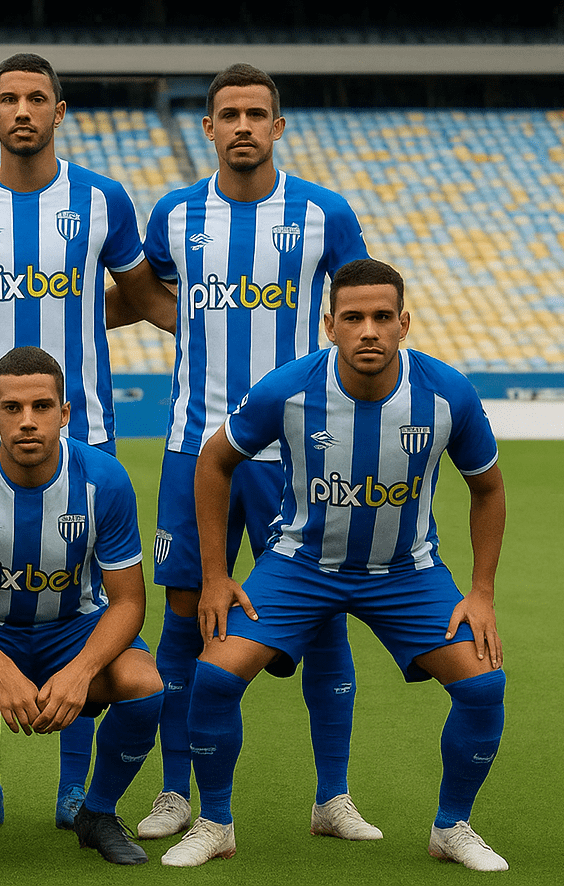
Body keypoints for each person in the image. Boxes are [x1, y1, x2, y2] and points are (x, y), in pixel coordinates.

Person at [0, 52, 176, 828]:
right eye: (8, 99)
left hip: (85, 435)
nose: (22, 110)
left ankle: (77, 795)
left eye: (37, 99)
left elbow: (142, 296)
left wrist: (216, 333)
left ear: (60, 110)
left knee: (83, 606)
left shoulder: (103, 199)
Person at [162, 259, 508, 871]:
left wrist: (480, 592)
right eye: (353, 318)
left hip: (406, 572)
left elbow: (488, 488)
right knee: (216, 676)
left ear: (404, 323)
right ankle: (215, 821)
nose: (368, 330)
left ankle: (452, 826)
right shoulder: (287, 390)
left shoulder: (448, 393)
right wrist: (216, 575)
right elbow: (213, 462)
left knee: (483, 686)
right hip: (300, 566)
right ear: (329, 326)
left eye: (381, 317)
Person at [136, 64, 375, 843]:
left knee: (324, 615)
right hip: (189, 446)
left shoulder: (324, 214)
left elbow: (359, 308)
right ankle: (177, 793)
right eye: (228, 114)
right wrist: (201, 333)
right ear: (207, 128)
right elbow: (149, 292)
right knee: (183, 614)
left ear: (278, 127)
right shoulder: (173, 215)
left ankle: (332, 798)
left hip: (297, 454)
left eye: (256, 113)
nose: (242, 125)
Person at [0, 347, 163, 865]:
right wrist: (2, 670)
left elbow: (127, 602)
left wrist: (80, 671)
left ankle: (97, 812)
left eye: (42, 407)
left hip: (74, 627)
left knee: (144, 685)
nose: (27, 422)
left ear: (65, 412)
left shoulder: (105, 479)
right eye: (12, 408)